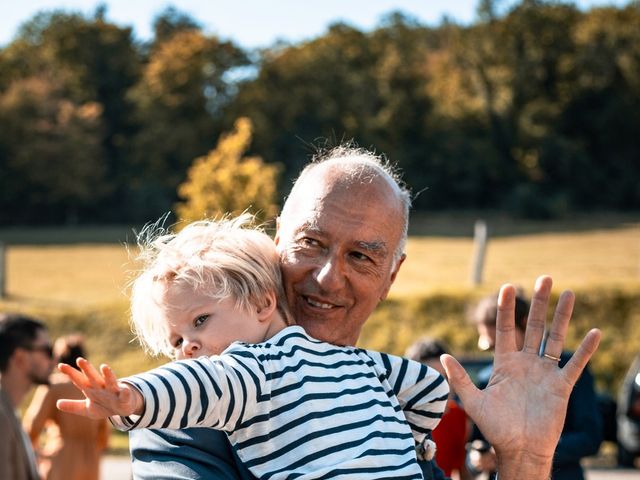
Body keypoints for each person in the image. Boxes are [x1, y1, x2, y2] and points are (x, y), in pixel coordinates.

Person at [119, 145, 599, 480]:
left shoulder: (379, 401)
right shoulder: (183, 418)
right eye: (311, 243)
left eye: (361, 256)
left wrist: (523, 459)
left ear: (391, 276)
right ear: (277, 237)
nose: (329, 277)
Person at [58, 214, 449, 479]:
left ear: (263, 303)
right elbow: (430, 389)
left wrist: (132, 399)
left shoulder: (253, 370)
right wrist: (405, 440)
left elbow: (192, 386)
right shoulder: (358, 363)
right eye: (176, 341)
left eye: (200, 321)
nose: (187, 349)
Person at [467, 291, 603, 480]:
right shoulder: (485, 379)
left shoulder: (567, 367)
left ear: (523, 323)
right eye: (491, 347)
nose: (499, 352)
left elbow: (589, 437)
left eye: (504, 341)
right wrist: (475, 460)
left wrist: (532, 452)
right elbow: (476, 442)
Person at [23, 334, 109, 480]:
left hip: (61, 459)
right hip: (91, 462)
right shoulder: (94, 388)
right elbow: (104, 436)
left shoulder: (54, 387)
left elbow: (33, 426)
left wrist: (34, 453)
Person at [406, 338, 472, 480]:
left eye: (444, 377)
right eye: (430, 380)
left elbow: (460, 469)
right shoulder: (400, 423)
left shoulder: (459, 416)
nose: (441, 387)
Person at [0, 312, 54, 480]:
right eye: (47, 350)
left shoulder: (9, 410)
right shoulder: (1, 418)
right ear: (20, 357)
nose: (54, 358)